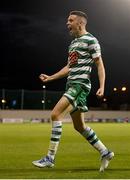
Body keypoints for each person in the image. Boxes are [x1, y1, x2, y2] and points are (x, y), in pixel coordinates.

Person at [32, 10, 114, 172]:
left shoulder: (91, 40)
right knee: (79, 126)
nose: (67, 24)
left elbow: (100, 65)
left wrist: (102, 86)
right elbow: (69, 67)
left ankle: (50, 158)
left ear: (80, 23)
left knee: (55, 114)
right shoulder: (74, 43)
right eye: (67, 21)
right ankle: (105, 152)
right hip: (72, 85)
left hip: (80, 85)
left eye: (70, 21)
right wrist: (50, 78)